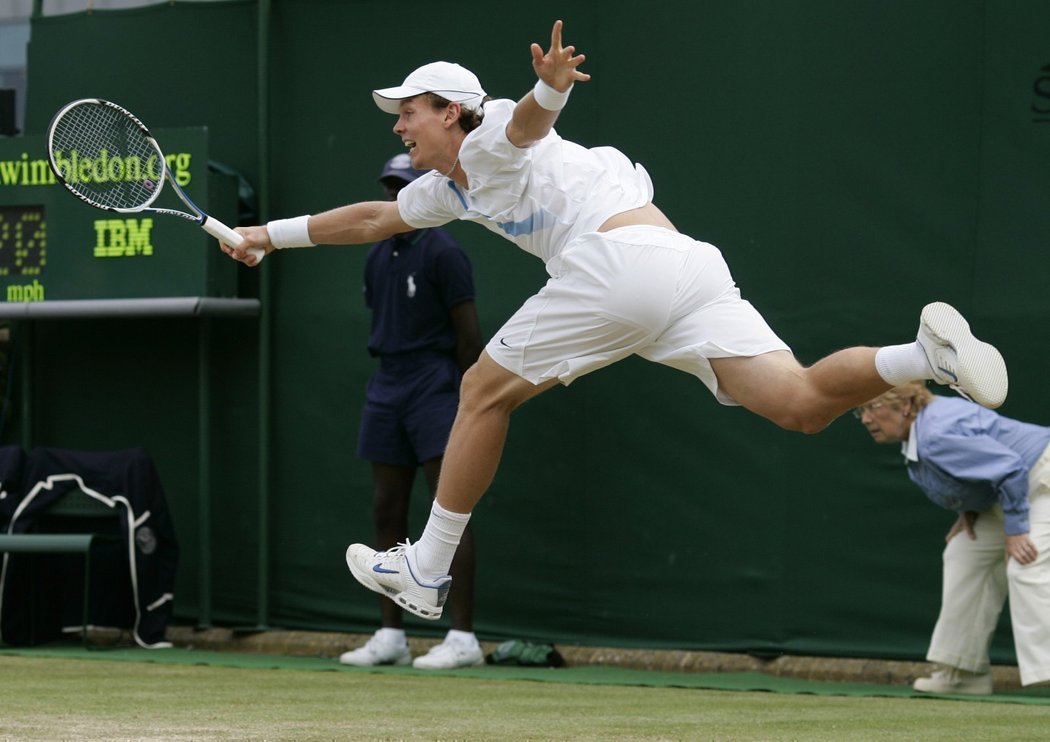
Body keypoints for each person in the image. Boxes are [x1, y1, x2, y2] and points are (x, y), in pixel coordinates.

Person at [223, 20, 1009, 625]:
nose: (398, 125)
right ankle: (921, 354)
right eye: (395, 114)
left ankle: (428, 568)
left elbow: (526, 125)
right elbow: (372, 218)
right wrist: (267, 235)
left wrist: (552, 89)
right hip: (686, 268)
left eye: (411, 112)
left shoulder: (492, 131)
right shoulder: (449, 187)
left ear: (455, 111)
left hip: (616, 264)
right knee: (800, 405)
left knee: (480, 393)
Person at [338, 154, 485, 670]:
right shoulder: (379, 255)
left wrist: (463, 399)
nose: (396, 195)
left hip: (435, 385)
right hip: (388, 384)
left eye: (405, 186)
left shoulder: (445, 252)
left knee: (447, 509)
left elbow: (469, 336)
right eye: (390, 188)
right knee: (386, 508)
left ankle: (462, 638)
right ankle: (390, 634)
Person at [856, 381, 1050, 693]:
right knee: (963, 552)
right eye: (860, 411)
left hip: (1040, 475)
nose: (865, 419)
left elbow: (1010, 468)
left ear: (904, 406)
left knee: (1026, 562)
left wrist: (1014, 531)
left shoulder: (935, 434)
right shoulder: (921, 435)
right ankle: (963, 672)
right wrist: (969, 509)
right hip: (1011, 492)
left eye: (872, 408)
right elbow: (975, 473)